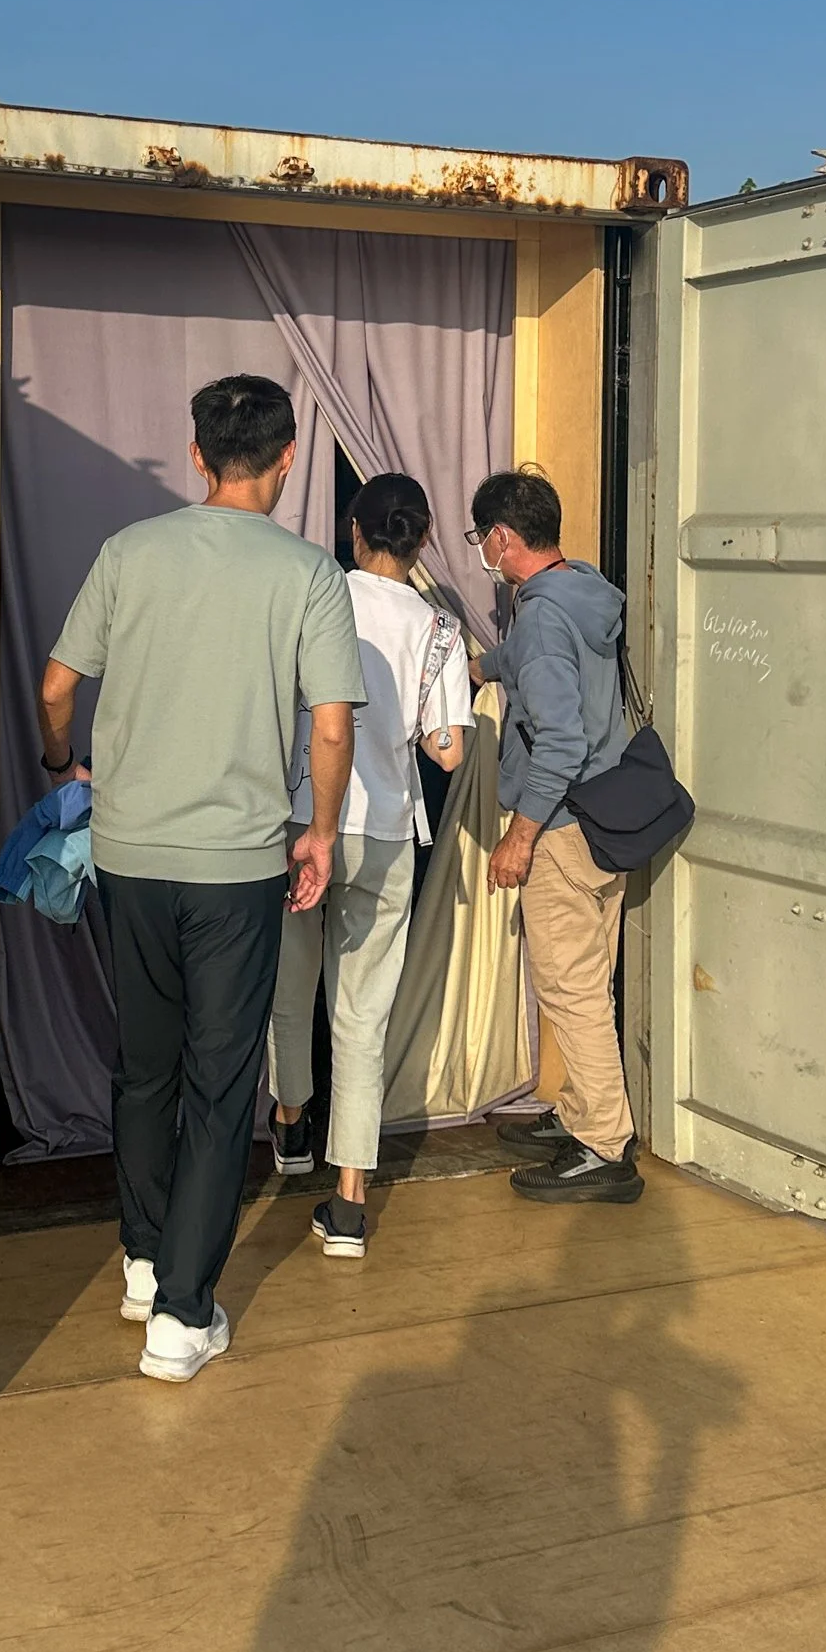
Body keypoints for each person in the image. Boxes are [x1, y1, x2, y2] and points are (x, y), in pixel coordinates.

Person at [38, 375, 363, 1383]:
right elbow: (333, 723)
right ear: (290, 458)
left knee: (146, 1066)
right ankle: (182, 1313)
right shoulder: (310, 573)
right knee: (223, 1084)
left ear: (194, 455)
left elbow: (57, 687)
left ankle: (142, 1259)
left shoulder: (129, 554)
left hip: (130, 855)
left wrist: (66, 764)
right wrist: (317, 830)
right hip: (236, 865)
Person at [267, 473, 471, 1259]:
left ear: (354, 532)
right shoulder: (439, 628)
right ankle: (349, 1203)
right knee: (362, 1017)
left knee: (292, 988)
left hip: (300, 820)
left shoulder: (315, 598)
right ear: (420, 542)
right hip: (386, 832)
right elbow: (446, 748)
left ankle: (289, 1127)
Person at [468, 468, 644, 1204]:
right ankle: (581, 1113)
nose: (482, 550)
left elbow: (559, 739)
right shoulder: (583, 589)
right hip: (607, 817)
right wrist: (481, 664)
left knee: (570, 989)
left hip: (562, 827)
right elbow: (539, 666)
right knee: (586, 984)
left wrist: (520, 837)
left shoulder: (538, 616)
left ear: (504, 539)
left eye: (483, 539)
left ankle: (605, 1149)